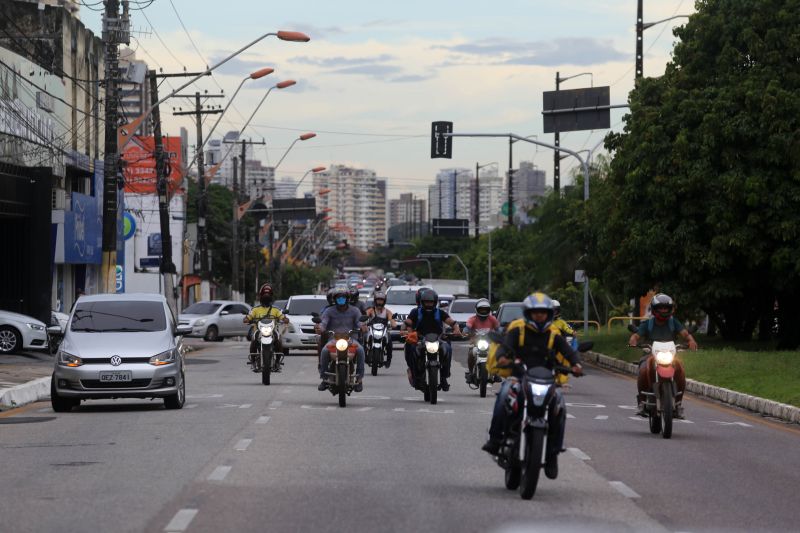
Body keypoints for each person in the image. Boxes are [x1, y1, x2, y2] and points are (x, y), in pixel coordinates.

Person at [482, 292, 582, 480]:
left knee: (559, 406)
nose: (539, 316)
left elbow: (568, 351)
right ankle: (495, 439)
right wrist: (502, 357)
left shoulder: (554, 333)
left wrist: (576, 364)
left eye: (543, 313)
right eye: (536, 312)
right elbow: (505, 346)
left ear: (549, 314)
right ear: (529, 313)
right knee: (503, 394)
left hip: (545, 379)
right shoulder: (517, 329)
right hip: (518, 377)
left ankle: (552, 454)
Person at [628, 293, 697, 418]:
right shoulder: (648, 324)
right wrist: (633, 340)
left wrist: (691, 341)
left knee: (680, 369)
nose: (664, 310)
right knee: (643, 368)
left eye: (666, 308)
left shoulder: (673, 322)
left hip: (670, 354)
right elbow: (636, 335)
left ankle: (678, 404)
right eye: (661, 308)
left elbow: (685, 334)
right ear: (655, 309)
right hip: (650, 354)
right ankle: (642, 403)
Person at [403, 288, 462, 391]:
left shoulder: (440, 313)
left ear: (435, 302)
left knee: (448, 348)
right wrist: (408, 332)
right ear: (422, 302)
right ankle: (415, 374)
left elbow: (452, 323)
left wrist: (456, 329)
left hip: (438, 339)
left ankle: (444, 376)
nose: (429, 304)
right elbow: (408, 323)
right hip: (420, 339)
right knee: (410, 347)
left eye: (431, 302)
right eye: (426, 302)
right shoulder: (415, 312)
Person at [317, 288, 367, 392]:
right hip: (334, 339)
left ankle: (359, 379)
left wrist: (363, 326)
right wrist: (320, 328)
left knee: (361, 350)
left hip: (351, 339)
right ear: (335, 299)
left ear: (347, 298)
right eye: (339, 297)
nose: (341, 299)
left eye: (343, 297)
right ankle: (324, 378)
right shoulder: (329, 311)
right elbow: (323, 323)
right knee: (324, 351)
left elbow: (359, 322)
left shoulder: (355, 310)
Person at [244, 283, 289, 368]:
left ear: (271, 296)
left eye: (268, 294)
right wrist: (247, 319)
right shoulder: (255, 309)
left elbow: (282, 317)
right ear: (261, 296)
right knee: (253, 340)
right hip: (259, 331)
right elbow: (248, 317)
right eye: (264, 294)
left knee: (279, 341)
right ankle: (253, 361)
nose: (266, 296)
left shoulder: (276, 310)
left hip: (272, 331)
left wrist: (285, 319)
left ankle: (277, 362)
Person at [464, 298, 500, 382]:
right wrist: (465, 332)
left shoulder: (492, 319)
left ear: (489, 310)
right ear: (477, 309)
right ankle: (470, 372)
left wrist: (502, 334)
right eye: (481, 309)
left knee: (497, 354)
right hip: (475, 343)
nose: (483, 311)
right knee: (471, 354)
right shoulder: (472, 319)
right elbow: (467, 327)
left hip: (490, 342)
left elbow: (498, 329)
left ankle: (496, 372)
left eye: (485, 309)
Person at [365, 290, 396, 368]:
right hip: (371, 331)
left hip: (383, 331)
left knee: (389, 342)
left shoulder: (388, 312)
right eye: (378, 300)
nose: (379, 302)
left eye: (381, 300)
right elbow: (364, 318)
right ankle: (364, 356)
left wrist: (393, 324)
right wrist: (363, 323)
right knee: (364, 339)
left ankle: (388, 360)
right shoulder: (370, 310)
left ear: (384, 301)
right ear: (375, 301)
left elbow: (392, 321)